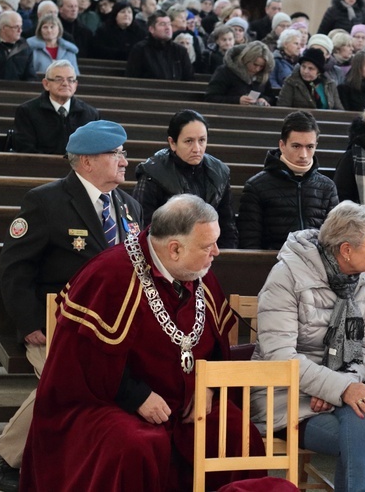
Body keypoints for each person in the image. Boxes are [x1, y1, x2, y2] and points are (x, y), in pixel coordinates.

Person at [19, 194, 266, 491]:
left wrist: (208, 388)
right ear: (174, 249)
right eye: (207, 245)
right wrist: (137, 397)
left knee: (239, 436)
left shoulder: (200, 273)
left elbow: (215, 344)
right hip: (111, 403)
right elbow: (84, 362)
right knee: (136, 446)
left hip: (188, 402)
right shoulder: (109, 274)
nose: (216, 251)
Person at [0, 120, 142, 492]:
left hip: (110, 329)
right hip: (54, 323)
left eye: (122, 153)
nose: (124, 160)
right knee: (67, 380)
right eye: (115, 153)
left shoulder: (130, 206)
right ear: (86, 161)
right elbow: (14, 269)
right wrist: (29, 324)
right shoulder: (47, 201)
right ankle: (4, 455)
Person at [251, 200, 365, 492]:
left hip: (333, 392)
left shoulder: (361, 280)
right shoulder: (286, 276)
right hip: (283, 396)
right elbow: (280, 358)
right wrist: (339, 388)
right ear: (346, 250)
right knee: (362, 430)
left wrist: (338, 388)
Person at [133, 110, 238, 249]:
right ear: (173, 143)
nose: (197, 149)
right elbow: (142, 226)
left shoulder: (220, 172)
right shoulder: (152, 173)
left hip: (211, 252)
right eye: (189, 141)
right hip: (169, 254)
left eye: (202, 140)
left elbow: (227, 224)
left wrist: (227, 258)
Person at [238, 111, 339, 249]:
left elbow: (334, 240)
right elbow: (249, 243)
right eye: (296, 146)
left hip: (317, 266)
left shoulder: (327, 187)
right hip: (272, 265)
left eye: (310, 147)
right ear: (282, 145)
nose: (303, 155)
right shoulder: (256, 186)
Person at [12, 59, 98, 154]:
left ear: (75, 85)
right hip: (39, 167)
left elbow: (95, 149)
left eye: (70, 80)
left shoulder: (90, 114)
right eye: (58, 79)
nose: (65, 84)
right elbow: (25, 149)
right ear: (46, 84)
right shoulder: (26, 111)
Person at [126, 11, 194, 80]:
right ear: (151, 29)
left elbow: (189, 79)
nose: (167, 28)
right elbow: (132, 79)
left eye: (169, 24)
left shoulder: (180, 51)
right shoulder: (140, 49)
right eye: (163, 24)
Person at [205, 41, 275, 105]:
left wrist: (264, 99)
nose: (257, 69)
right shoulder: (225, 71)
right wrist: (237, 100)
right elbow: (210, 97)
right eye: (255, 64)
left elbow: (270, 96)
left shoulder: (263, 74)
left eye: (261, 66)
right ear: (246, 59)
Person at [277, 47, 343, 110]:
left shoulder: (330, 84)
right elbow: (282, 109)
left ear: (318, 71)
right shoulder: (291, 82)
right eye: (303, 66)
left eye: (311, 68)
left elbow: (339, 109)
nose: (305, 71)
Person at [0, 10, 36, 80]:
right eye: (16, 27)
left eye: (21, 27)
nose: (20, 30)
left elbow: (30, 77)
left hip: (17, 89)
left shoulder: (25, 47)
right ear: (4, 28)